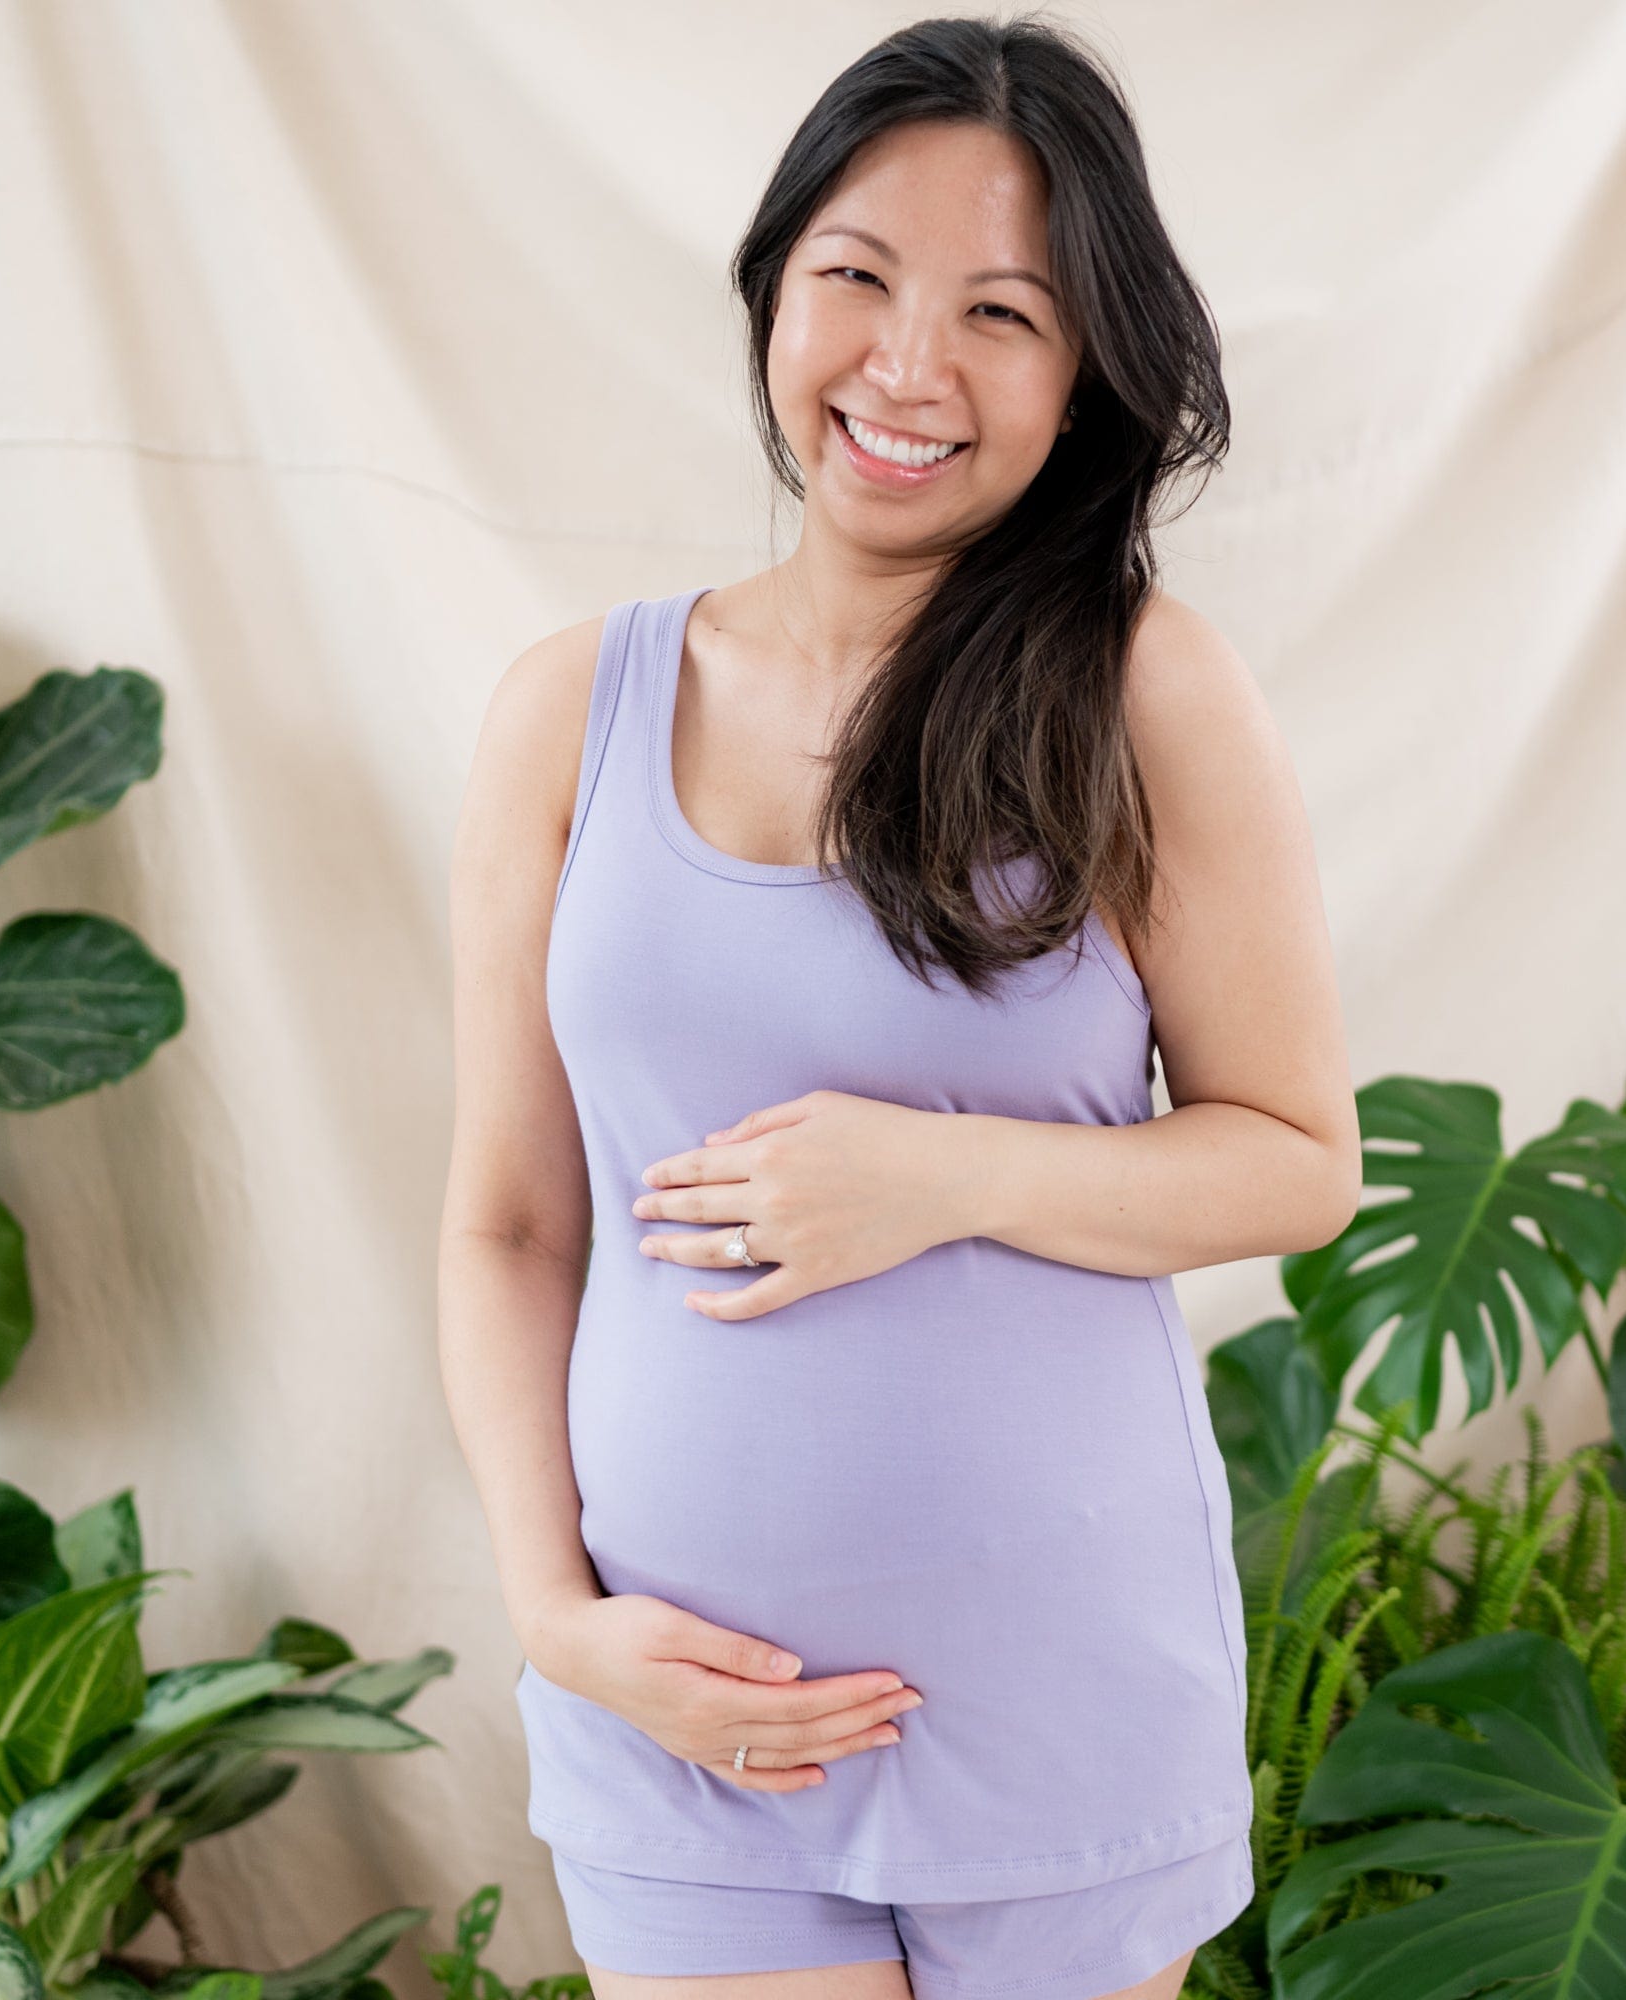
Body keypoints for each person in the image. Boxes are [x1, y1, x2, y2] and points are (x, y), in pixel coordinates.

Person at [438, 15, 1360, 1999]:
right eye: (854, 276)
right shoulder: (565, 712)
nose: (906, 365)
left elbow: (1294, 1162)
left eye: (1000, 312)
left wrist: (933, 1174)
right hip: (681, 1716)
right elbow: (511, 1222)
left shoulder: (1139, 692)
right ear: (773, 282)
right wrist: (551, 1613)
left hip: (1056, 1705)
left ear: (1086, 366)